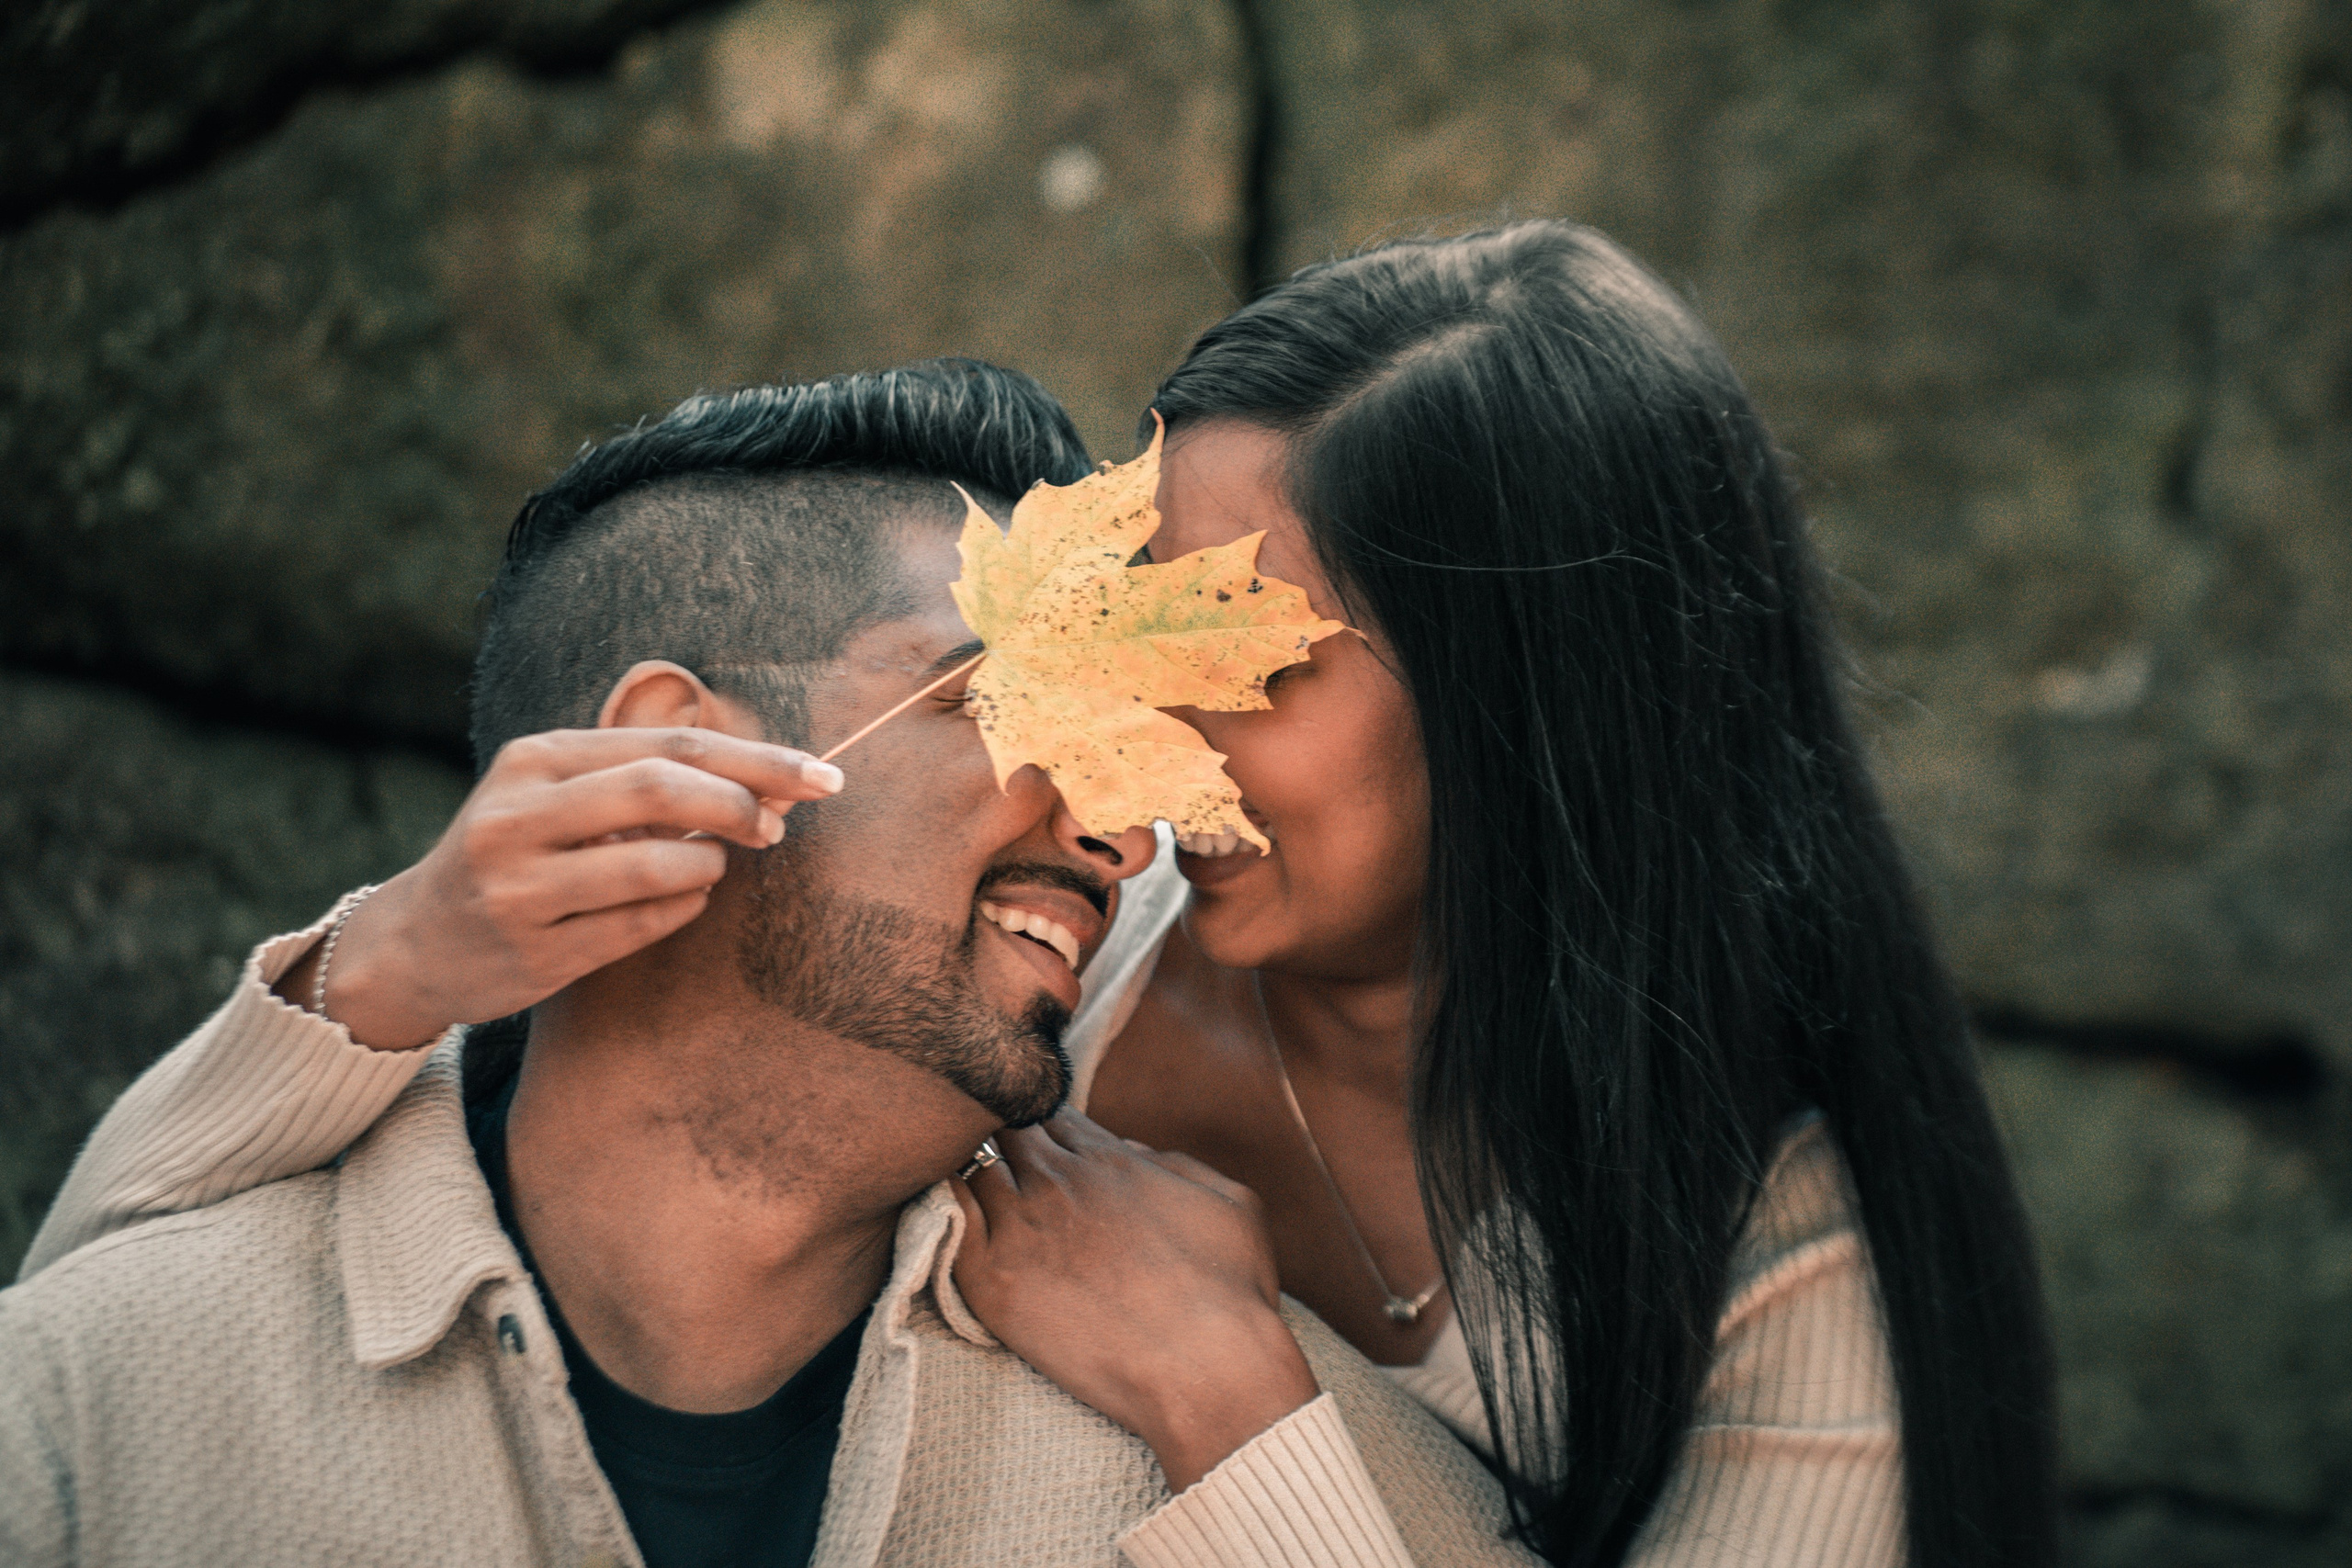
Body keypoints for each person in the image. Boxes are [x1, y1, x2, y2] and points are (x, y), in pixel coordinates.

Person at [24, 222, 2059, 1568]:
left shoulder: (1776, 1261)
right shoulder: (1031, 972)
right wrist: (375, 973)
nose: (1115, 752)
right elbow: (94, 1363)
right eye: (1111, 628)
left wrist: (1227, 1394)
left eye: (1240, 658)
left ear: (1539, 721)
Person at [0, 360, 1529, 1568]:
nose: (1126, 832)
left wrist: (1246, 1435)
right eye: (1011, 702)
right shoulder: (104, 1400)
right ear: (680, 754)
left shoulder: (1262, 1436)